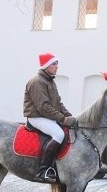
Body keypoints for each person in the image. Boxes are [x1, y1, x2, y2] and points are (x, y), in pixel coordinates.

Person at [23, 53, 76, 183]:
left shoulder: (50, 81)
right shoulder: (37, 81)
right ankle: (42, 171)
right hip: (36, 117)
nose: (57, 66)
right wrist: (63, 119)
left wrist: (71, 117)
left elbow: (59, 104)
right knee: (59, 134)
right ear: (46, 66)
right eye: (54, 63)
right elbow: (43, 107)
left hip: (47, 117)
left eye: (57, 63)